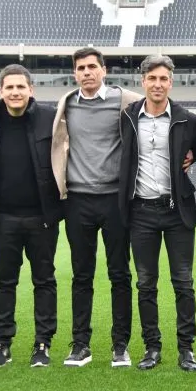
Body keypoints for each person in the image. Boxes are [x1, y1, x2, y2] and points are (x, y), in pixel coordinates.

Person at [52, 47, 141, 368]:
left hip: (115, 200)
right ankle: (81, 345)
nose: (87, 72)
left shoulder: (125, 100)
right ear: (75, 73)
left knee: (119, 274)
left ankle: (120, 346)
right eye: (80, 68)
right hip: (77, 201)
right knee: (81, 276)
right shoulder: (67, 104)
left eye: (92, 67)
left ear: (104, 70)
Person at [118, 55, 196, 372]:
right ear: (143, 81)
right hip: (140, 211)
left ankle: (186, 349)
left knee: (183, 282)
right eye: (152, 78)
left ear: (171, 82)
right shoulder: (127, 117)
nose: (158, 84)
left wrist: (193, 155)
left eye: (163, 79)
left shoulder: (186, 118)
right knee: (146, 284)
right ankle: (152, 347)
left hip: (176, 210)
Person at [0, 65, 63, 368]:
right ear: (1, 91)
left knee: (44, 281)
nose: (15, 92)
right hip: (3, 219)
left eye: (20, 87)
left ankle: (43, 344)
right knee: (5, 282)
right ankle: (2, 344)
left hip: (42, 218)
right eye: (9, 87)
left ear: (31, 90)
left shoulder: (50, 119)